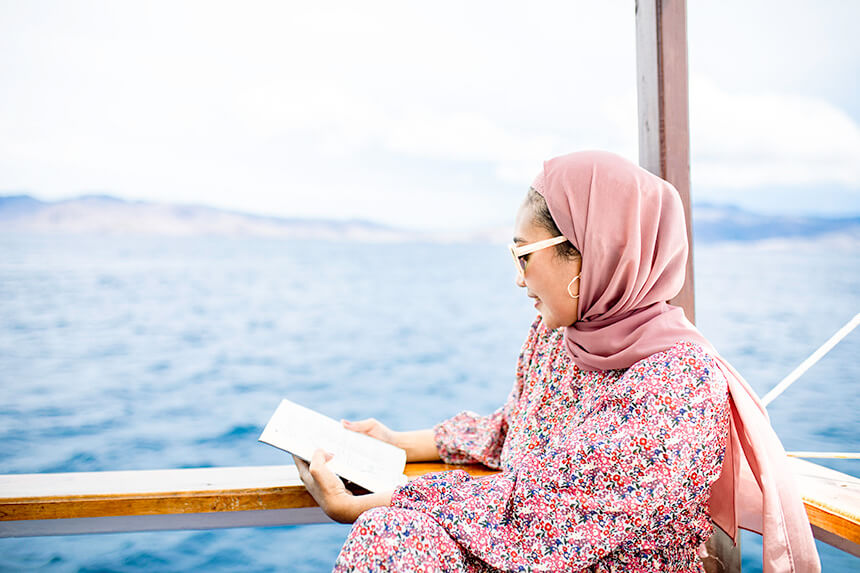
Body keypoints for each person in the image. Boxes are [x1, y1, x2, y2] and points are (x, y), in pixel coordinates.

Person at [293, 151, 820, 572]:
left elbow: (544, 518)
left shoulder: (677, 384)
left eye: (524, 255)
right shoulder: (559, 337)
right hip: (515, 550)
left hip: (557, 550)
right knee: (391, 539)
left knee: (388, 534)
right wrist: (397, 442)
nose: (518, 279)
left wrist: (359, 505)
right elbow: (516, 429)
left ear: (589, 251)